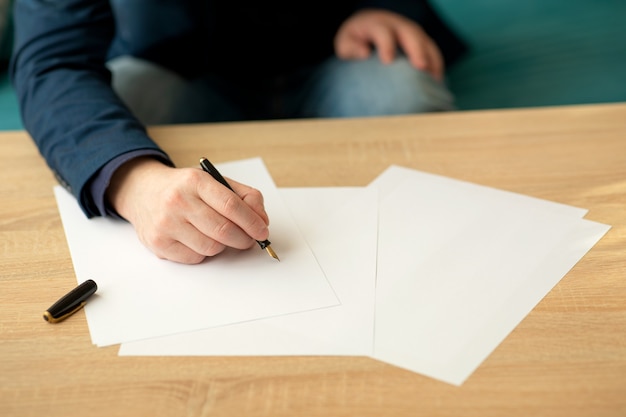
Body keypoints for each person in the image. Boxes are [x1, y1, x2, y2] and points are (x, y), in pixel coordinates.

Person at [11, 0, 466, 264]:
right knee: (128, 93)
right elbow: (54, 60)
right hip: (179, 70)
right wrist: (133, 181)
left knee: (401, 92)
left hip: (335, 54)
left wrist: (384, 5)